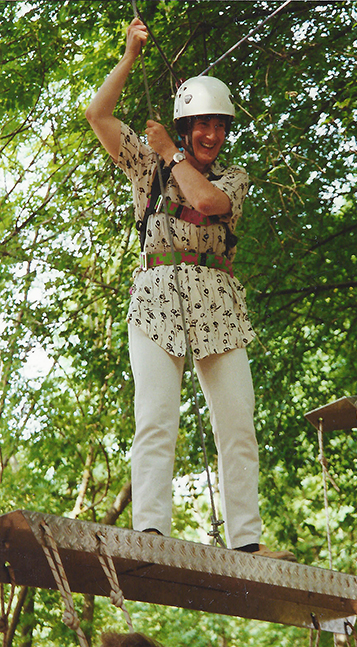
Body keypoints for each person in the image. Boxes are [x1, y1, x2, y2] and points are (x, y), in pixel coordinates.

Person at [85, 17, 295, 561]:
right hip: (157, 293)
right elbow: (98, 114)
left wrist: (171, 154)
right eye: (201, 124)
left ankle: (246, 541)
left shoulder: (232, 178)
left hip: (218, 301)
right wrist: (130, 55)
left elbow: (205, 203)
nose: (212, 134)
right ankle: (150, 532)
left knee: (237, 424)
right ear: (185, 125)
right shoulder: (146, 167)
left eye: (219, 126)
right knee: (156, 418)